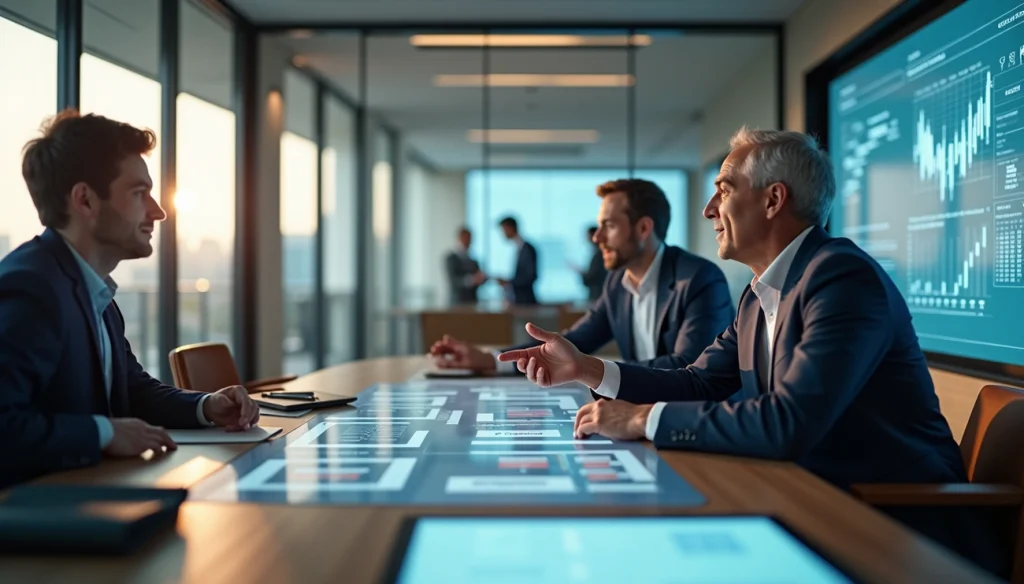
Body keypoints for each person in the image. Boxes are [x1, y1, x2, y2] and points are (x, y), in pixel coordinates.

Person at [497, 128, 1006, 577]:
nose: (708, 210)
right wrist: (585, 367)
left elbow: (790, 421)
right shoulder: (761, 292)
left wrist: (643, 419)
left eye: (723, 190)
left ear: (772, 200)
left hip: (892, 526)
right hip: (813, 495)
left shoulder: (841, 278)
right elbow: (699, 381)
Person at [0, 110, 260, 489]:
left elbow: (131, 391)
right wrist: (103, 433)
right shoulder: (32, 287)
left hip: (95, 497)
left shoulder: (93, 288)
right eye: (139, 193)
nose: (158, 212)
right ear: (85, 200)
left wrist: (205, 407)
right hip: (38, 524)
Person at [430, 179, 733, 373]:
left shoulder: (699, 279)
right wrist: (491, 359)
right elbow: (574, 342)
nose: (597, 237)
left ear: (643, 229)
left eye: (609, 226)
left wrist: (590, 370)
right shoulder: (617, 284)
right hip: (638, 414)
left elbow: (689, 369)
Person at [494, 216, 538, 305]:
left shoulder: (527, 249)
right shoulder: (518, 248)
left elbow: (531, 276)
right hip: (518, 300)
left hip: (525, 301)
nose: (503, 234)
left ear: (510, 228)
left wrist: (509, 282)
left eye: (504, 230)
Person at [444, 227, 486, 305]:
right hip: (457, 302)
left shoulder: (473, 260)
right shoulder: (451, 258)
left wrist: (482, 279)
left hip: (472, 301)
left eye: (470, 239)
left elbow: (479, 278)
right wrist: (471, 280)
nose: (468, 241)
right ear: (459, 238)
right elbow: (454, 281)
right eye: (466, 238)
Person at [576, 225, 606, 302]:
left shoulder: (599, 256)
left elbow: (591, 278)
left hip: (598, 296)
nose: (587, 239)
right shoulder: (598, 254)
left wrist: (580, 272)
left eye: (588, 236)